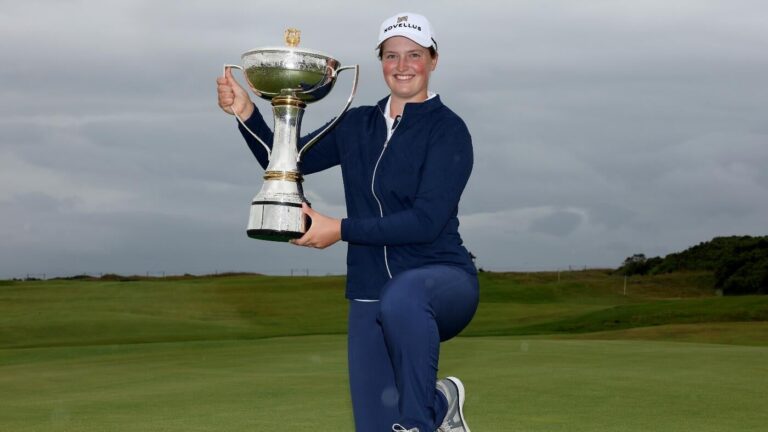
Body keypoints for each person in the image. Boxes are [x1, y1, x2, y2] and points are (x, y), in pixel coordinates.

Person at [217, 12, 479, 432]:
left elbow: (426, 221)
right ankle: (438, 401)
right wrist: (246, 113)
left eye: (414, 54)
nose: (402, 65)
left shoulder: (448, 131)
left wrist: (339, 229)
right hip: (368, 292)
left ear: (433, 59)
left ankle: (419, 422)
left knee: (404, 297)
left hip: (441, 281)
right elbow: (287, 157)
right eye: (391, 56)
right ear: (380, 62)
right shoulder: (356, 124)